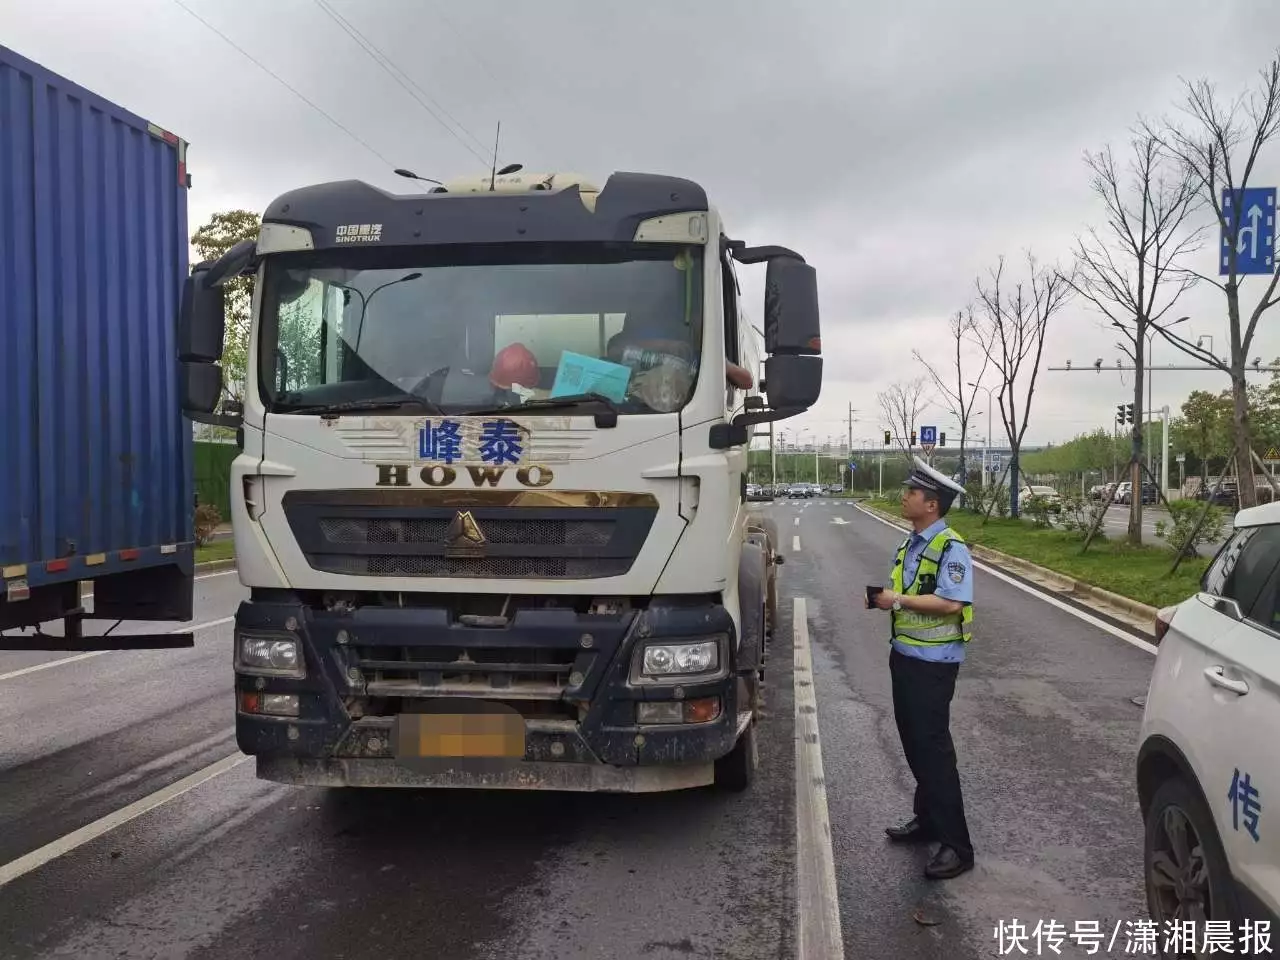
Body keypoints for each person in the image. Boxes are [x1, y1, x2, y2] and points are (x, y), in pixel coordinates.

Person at [866, 455, 975, 880]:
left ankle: (958, 846)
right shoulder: (910, 543)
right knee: (915, 745)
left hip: (934, 664)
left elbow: (952, 601)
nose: (904, 496)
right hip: (906, 656)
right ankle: (927, 820)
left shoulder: (951, 547)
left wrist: (897, 600)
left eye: (912, 492)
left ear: (931, 504)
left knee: (933, 751)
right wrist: (888, 600)